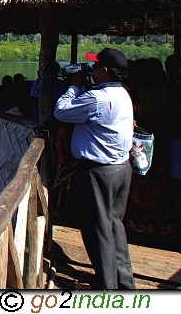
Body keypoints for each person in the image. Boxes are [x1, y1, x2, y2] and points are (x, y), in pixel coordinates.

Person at [53, 47, 135, 290]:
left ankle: (106, 287)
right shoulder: (123, 94)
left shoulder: (97, 98)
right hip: (121, 168)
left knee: (96, 229)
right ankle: (124, 282)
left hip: (98, 171)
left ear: (104, 71)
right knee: (113, 225)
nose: (92, 69)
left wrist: (74, 86)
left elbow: (61, 112)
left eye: (95, 66)